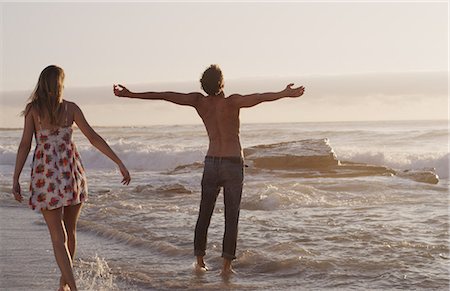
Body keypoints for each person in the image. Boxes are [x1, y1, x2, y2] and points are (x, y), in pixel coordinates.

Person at [113, 64, 304, 275]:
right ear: (222, 83)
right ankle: (226, 267)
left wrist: (130, 94)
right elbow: (259, 97)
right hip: (232, 163)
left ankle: (200, 261)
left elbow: (164, 95)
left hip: (212, 163)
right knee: (232, 217)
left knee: (205, 213)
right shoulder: (232, 102)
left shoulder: (199, 102)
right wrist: (284, 93)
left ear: (203, 85)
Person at [12, 65, 131, 291]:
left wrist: (15, 178)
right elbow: (93, 137)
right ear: (59, 84)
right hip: (70, 174)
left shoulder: (33, 111)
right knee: (70, 232)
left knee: (59, 237)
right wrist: (119, 162)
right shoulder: (71, 108)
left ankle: (69, 287)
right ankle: (65, 285)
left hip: (46, 176)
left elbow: (25, 146)